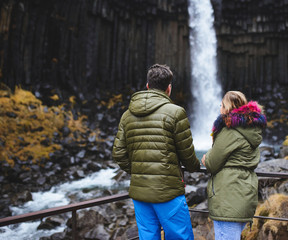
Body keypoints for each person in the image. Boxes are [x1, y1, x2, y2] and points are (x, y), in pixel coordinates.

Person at [112, 64, 200, 240]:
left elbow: (119, 154)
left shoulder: (127, 115)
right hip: (167, 191)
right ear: (169, 88)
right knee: (180, 237)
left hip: (140, 193)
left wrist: (139, 171)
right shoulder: (175, 113)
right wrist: (195, 168)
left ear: (147, 85)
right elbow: (187, 154)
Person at [201, 91, 267, 240]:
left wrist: (206, 158)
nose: (220, 109)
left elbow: (212, 163)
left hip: (228, 197)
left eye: (222, 105)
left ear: (227, 108)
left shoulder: (230, 131)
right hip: (244, 193)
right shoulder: (251, 129)